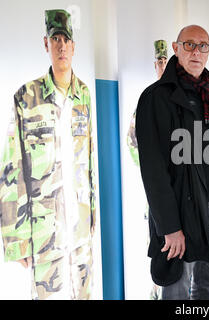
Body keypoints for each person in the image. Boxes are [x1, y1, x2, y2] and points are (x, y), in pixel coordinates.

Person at [135, 25, 209, 300]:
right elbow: (153, 170)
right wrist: (169, 227)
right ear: (175, 48)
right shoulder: (155, 98)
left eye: (203, 46)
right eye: (189, 45)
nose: (196, 51)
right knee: (178, 286)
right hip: (184, 209)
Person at [0, 9, 96, 300]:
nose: (61, 45)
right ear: (46, 44)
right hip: (44, 232)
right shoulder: (26, 98)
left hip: (80, 231)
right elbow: (12, 168)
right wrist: (16, 240)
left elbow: (89, 161)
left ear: (74, 46)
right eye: (56, 38)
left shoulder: (84, 94)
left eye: (66, 39)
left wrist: (92, 216)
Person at [126, 39, 169, 300]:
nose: (164, 66)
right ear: (156, 65)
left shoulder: (183, 96)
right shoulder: (148, 100)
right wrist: (155, 166)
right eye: (160, 62)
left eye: (167, 62)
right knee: (158, 252)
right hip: (155, 194)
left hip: (182, 194)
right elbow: (132, 141)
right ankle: (157, 291)